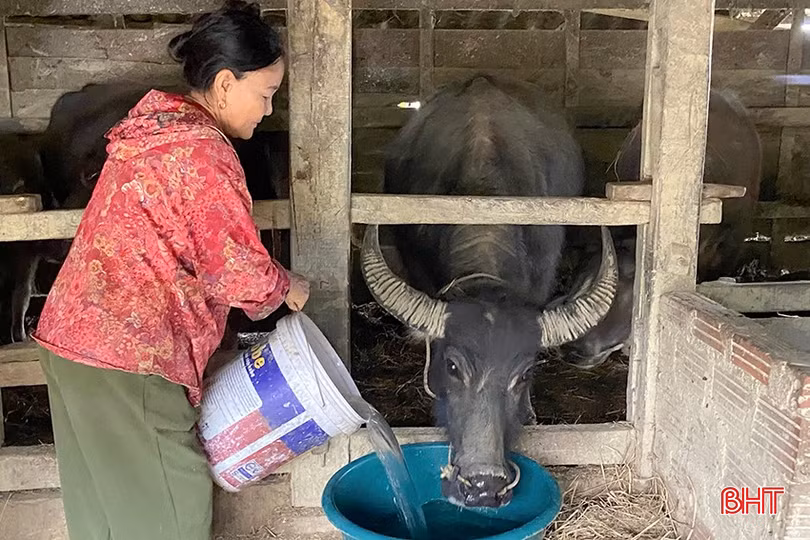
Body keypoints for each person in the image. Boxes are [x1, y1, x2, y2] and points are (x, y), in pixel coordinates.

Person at [31, 2, 308, 539]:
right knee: (172, 507)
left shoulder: (154, 132)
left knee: (104, 513)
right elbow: (235, 272)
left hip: (72, 343)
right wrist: (288, 287)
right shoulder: (205, 152)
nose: (269, 110)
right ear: (225, 83)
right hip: (129, 355)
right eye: (266, 94)